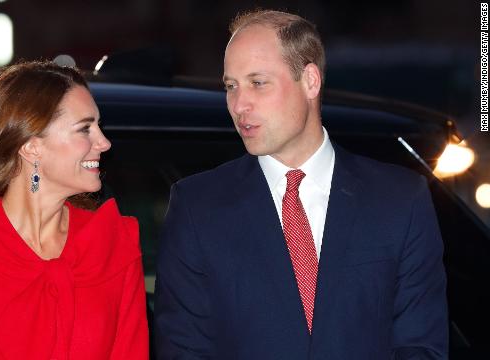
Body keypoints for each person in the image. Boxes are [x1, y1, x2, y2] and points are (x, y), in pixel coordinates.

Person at [154, 9, 448, 359]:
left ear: (310, 80)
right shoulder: (197, 206)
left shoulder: (400, 198)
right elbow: (185, 351)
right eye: (230, 86)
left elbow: (421, 346)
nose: (238, 104)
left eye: (257, 83)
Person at [0, 61, 148, 360]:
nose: (104, 142)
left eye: (99, 126)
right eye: (85, 128)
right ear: (31, 146)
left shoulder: (113, 241)